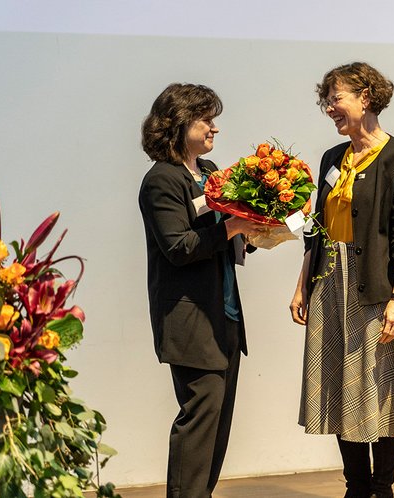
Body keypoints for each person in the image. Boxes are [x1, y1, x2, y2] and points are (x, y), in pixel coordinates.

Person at [289, 62, 394, 498]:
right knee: (339, 380)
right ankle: (356, 485)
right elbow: (316, 226)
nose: (329, 108)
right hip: (330, 283)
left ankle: (382, 486)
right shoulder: (332, 159)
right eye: (326, 101)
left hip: (379, 285)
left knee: (386, 383)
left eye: (335, 98)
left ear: (365, 97)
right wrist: (302, 283)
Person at [138, 83, 262, 498]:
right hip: (191, 321)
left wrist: (254, 234)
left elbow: (220, 234)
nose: (215, 128)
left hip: (224, 316)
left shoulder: (210, 173)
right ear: (178, 123)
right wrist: (233, 227)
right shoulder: (162, 180)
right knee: (199, 421)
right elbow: (177, 247)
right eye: (206, 119)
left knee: (218, 424)